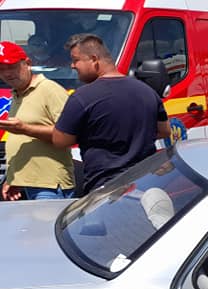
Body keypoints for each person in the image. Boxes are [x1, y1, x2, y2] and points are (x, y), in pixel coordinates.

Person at [52, 34, 171, 195]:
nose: (72, 66)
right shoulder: (147, 92)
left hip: (105, 190)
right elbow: (164, 130)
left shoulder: (82, 97)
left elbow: (60, 140)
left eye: (75, 60)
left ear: (94, 59)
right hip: (144, 184)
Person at [0, 41, 75, 201]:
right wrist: (13, 177)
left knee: (46, 226)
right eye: (1, 69)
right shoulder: (18, 93)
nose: (7, 74)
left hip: (49, 186)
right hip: (27, 184)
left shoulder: (49, 90)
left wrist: (25, 128)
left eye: (11, 67)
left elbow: (69, 135)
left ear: (27, 63)